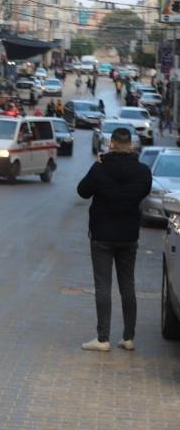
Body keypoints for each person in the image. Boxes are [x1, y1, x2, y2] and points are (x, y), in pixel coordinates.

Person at [77, 127, 152, 351]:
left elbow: (82, 191)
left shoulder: (100, 168)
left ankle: (103, 339)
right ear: (131, 145)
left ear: (111, 144)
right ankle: (128, 337)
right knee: (127, 285)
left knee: (103, 286)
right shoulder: (143, 171)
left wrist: (99, 165)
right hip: (129, 235)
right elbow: (144, 191)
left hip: (102, 235)